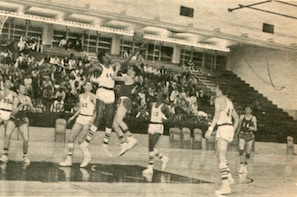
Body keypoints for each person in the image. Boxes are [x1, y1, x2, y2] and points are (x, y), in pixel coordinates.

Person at [80, 45, 146, 160]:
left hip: (111, 93)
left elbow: (124, 61)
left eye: (109, 56)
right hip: (101, 90)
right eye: (106, 57)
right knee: (99, 117)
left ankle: (105, 145)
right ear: (102, 59)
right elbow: (87, 70)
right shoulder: (99, 67)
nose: (109, 57)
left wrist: (133, 52)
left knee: (110, 120)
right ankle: (87, 141)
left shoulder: (113, 66)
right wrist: (87, 67)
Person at [205, 84, 239, 195]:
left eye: (217, 89)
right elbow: (237, 118)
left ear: (221, 90)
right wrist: (232, 130)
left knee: (221, 157)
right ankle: (228, 176)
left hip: (223, 127)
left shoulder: (218, 100)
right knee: (217, 153)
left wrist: (210, 129)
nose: (215, 91)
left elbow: (216, 116)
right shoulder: (229, 101)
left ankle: (225, 186)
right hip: (228, 127)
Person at [0, 83, 42, 164]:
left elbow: (32, 109)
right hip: (14, 119)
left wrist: (37, 110)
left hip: (22, 120)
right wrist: (21, 105)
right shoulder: (16, 99)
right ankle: (5, 154)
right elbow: (13, 112)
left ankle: (25, 156)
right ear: (18, 90)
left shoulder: (27, 98)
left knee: (26, 138)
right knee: (7, 134)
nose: (24, 89)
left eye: (24, 88)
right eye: (22, 88)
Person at [59, 81, 96, 168]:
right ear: (84, 86)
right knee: (70, 139)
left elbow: (97, 110)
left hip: (88, 118)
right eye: (87, 84)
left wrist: (92, 120)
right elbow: (80, 108)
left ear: (91, 88)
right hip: (80, 117)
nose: (88, 86)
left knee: (80, 140)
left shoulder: (93, 97)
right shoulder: (80, 96)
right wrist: (73, 117)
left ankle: (87, 156)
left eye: (90, 85)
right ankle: (69, 159)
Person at [112, 63, 141, 156]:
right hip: (123, 100)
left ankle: (130, 137)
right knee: (114, 124)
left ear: (133, 71)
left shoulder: (128, 78)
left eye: (130, 68)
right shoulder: (129, 78)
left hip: (124, 100)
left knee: (119, 120)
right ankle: (123, 143)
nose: (128, 69)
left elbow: (114, 77)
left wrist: (117, 68)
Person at [142, 92, 171, 175]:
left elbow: (170, 117)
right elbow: (149, 113)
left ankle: (150, 167)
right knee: (150, 147)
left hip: (159, 126)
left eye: (159, 95)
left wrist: (165, 120)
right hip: (151, 124)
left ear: (162, 98)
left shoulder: (164, 107)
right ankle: (163, 158)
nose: (157, 95)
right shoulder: (152, 104)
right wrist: (146, 115)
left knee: (152, 146)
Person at [236, 105, 257, 174]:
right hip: (242, 134)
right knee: (241, 149)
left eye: (248, 109)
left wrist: (252, 128)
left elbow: (256, 128)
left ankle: (245, 166)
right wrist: (236, 134)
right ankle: (241, 165)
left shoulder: (253, 118)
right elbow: (239, 126)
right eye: (246, 109)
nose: (247, 110)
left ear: (251, 110)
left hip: (250, 135)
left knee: (248, 152)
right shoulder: (242, 117)